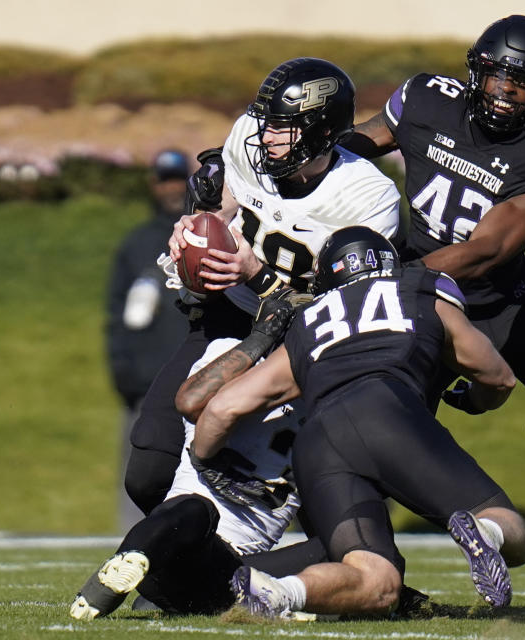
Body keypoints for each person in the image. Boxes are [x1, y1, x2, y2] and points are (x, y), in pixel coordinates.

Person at [342, 14, 525, 508]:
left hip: (497, 300)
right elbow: (360, 143)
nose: (504, 91)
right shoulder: (428, 98)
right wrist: (300, 156)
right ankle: (362, 550)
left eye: (522, 83)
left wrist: (392, 279)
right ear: (476, 72)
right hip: (422, 303)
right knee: (391, 440)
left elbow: (485, 251)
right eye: (497, 75)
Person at [191, 226, 525, 618]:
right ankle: (486, 532)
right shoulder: (416, 288)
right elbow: (498, 377)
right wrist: (474, 400)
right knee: (512, 531)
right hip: (387, 410)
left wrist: (205, 459)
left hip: (319, 444)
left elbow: (223, 408)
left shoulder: (308, 323)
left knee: (377, 583)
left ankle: (283, 592)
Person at [124, 57, 400, 516]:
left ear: (322, 130)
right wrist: (195, 228)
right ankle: (187, 561)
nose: (265, 136)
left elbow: (354, 310)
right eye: (266, 122)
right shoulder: (250, 137)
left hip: (306, 344)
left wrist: (256, 273)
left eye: (282, 127)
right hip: (229, 317)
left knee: (325, 498)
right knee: (149, 470)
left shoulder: (368, 198)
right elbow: (222, 206)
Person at [71, 294, 312, 618]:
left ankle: (160, 587)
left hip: (237, 572)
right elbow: (193, 399)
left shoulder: (327, 391)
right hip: (177, 544)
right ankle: (129, 561)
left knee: (348, 553)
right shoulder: (227, 354)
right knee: (197, 511)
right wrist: (260, 340)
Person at [106, 149, 192, 529]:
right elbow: (116, 314)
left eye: (178, 179)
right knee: (141, 471)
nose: (172, 188)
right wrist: (124, 370)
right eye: (164, 179)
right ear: (153, 185)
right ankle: (132, 546)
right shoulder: (137, 244)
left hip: (201, 378)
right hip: (148, 381)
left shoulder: (211, 235)